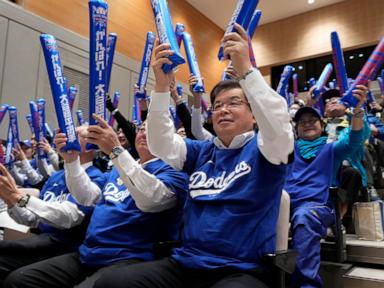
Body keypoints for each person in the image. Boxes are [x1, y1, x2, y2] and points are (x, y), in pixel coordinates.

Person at [94, 23, 294, 288]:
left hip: (240, 271)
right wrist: (162, 88)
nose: (223, 110)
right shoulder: (202, 150)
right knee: (112, 282)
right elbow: (161, 142)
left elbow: (279, 126)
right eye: (218, 105)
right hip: (187, 263)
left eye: (234, 103)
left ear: (254, 113)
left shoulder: (266, 149)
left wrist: (246, 70)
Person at [4, 116, 188, 288]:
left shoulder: (173, 173)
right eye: (141, 129)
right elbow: (88, 198)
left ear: (169, 140)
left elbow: (151, 198)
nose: (144, 133)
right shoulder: (118, 168)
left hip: (126, 257)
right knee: (18, 280)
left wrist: (116, 151)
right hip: (88, 252)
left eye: (153, 129)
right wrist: (71, 161)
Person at [285, 85, 367, 288]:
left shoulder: (331, 148)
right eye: (302, 122)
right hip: (284, 205)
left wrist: (357, 111)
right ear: (296, 129)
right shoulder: (287, 149)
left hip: (316, 206)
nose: (307, 124)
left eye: (312, 120)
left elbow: (354, 140)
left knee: (305, 217)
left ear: (321, 125)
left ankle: (308, 285)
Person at [0, 126, 104, 286]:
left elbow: (68, 219)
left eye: (76, 134)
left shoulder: (97, 177)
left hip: (65, 247)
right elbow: (32, 220)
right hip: (41, 241)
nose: (67, 136)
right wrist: (9, 199)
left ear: (92, 144)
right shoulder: (56, 176)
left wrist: (18, 196)